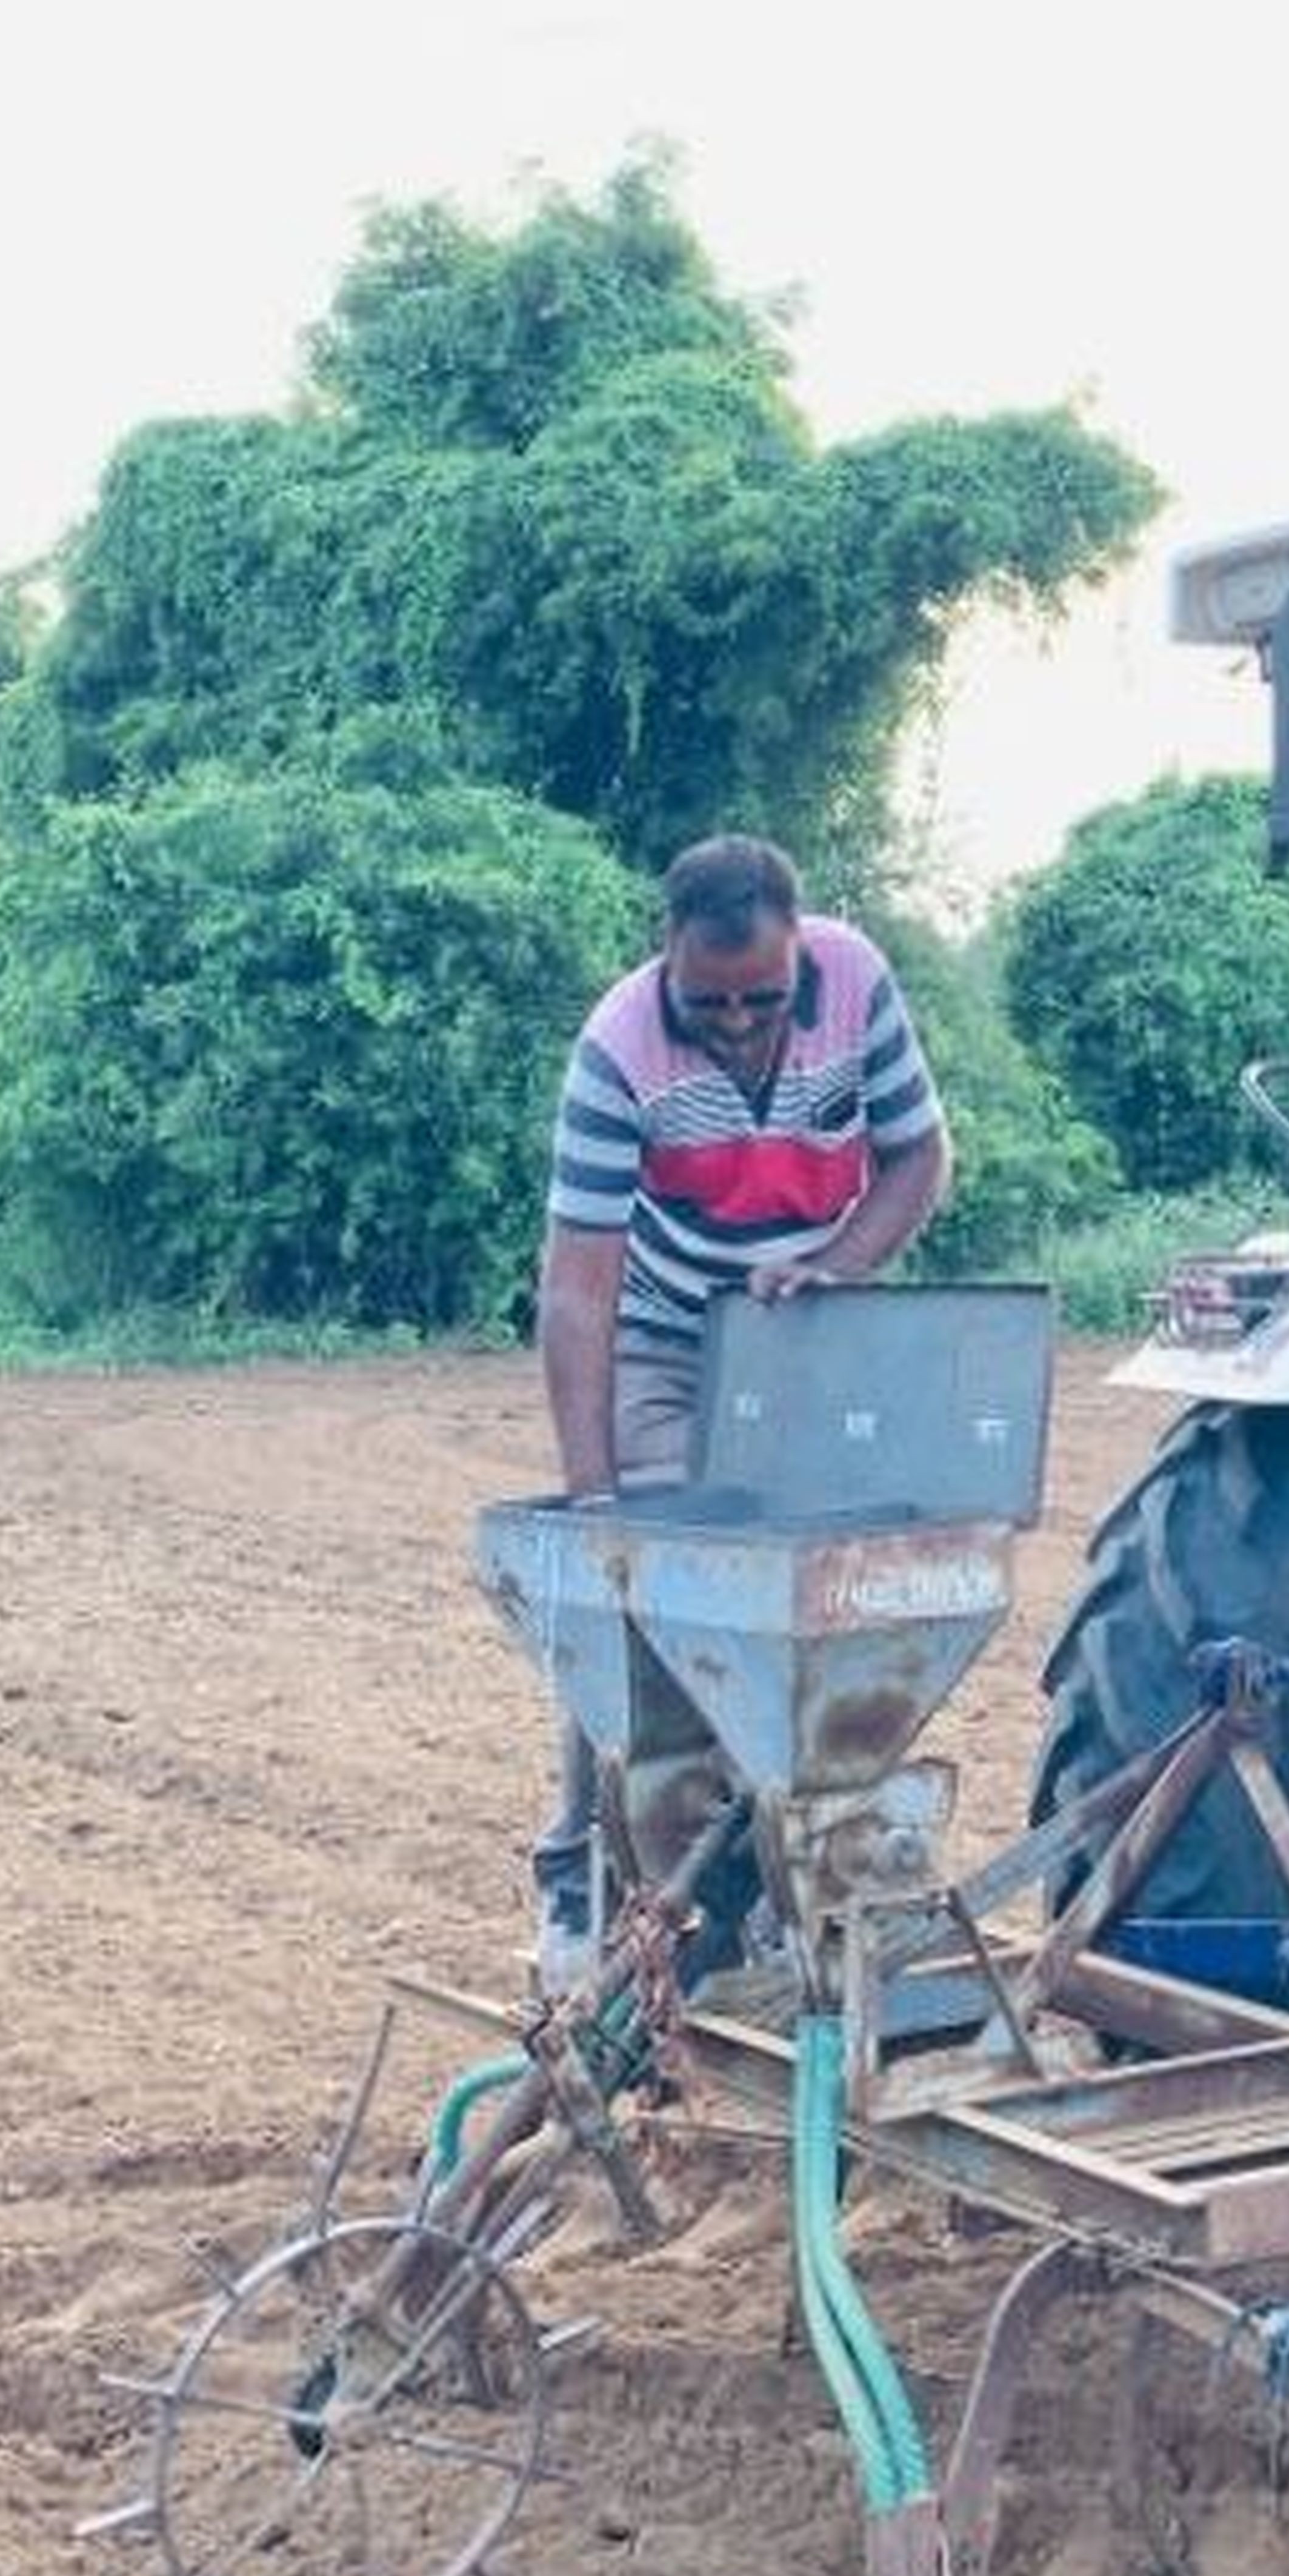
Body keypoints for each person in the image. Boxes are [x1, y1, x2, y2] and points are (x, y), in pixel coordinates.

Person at [529, 832, 952, 1950]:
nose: (735, 1021)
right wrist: (598, 1511)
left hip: (808, 1337)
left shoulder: (856, 983)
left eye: (759, 998)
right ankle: (584, 1867)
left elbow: (919, 1160)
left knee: (825, 1598)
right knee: (643, 1603)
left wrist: (837, 1267)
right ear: (666, 952)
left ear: (799, 950)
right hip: (666, 1338)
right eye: (706, 1000)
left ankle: (799, 1878)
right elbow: (578, 1290)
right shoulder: (619, 1048)